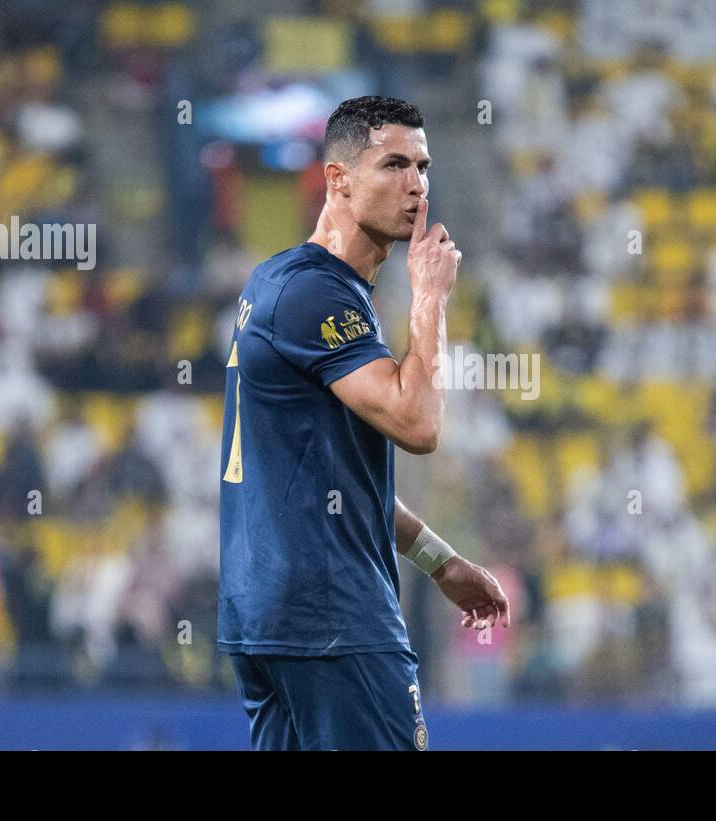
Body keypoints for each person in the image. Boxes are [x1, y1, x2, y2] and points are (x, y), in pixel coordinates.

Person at [218, 96, 511, 750]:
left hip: (268, 615)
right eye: (394, 165)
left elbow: (335, 476)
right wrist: (430, 299)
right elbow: (418, 424)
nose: (417, 185)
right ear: (338, 180)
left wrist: (439, 562)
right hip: (334, 617)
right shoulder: (318, 295)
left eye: (423, 166)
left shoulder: (280, 282)